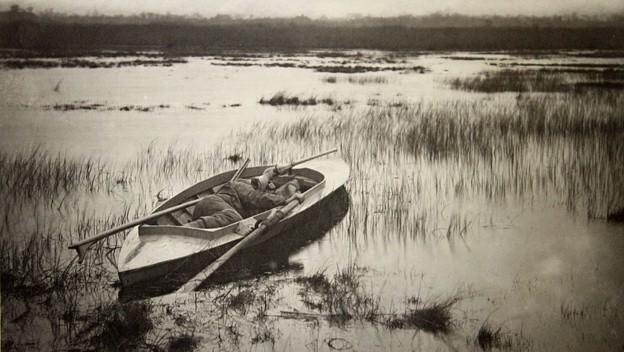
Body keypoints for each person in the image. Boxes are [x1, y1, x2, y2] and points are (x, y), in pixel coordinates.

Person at [184, 167, 303, 229]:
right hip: (210, 203)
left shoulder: (256, 203)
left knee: (236, 221)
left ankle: (198, 228)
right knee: (234, 218)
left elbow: (264, 201)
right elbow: (257, 198)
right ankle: (189, 228)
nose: (268, 186)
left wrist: (291, 190)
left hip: (215, 214)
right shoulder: (242, 184)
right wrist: (286, 200)